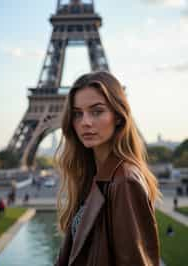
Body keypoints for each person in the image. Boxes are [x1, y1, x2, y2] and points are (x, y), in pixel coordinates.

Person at [54, 71, 161, 266]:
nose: (85, 122)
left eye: (97, 111)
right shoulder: (93, 176)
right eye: (78, 113)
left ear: (118, 117)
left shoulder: (125, 181)